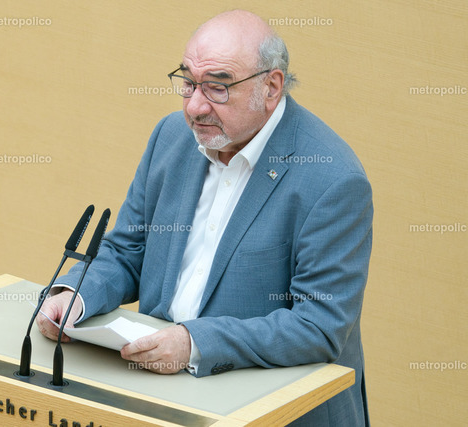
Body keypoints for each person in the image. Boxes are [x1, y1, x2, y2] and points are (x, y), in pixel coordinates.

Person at [37, 10, 372, 426]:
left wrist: (194, 343)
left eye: (217, 87)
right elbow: (128, 250)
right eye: (188, 83)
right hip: (163, 397)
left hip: (273, 412)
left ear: (271, 87)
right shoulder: (171, 137)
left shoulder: (331, 179)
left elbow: (318, 326)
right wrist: (77, 294)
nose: (195, 106)